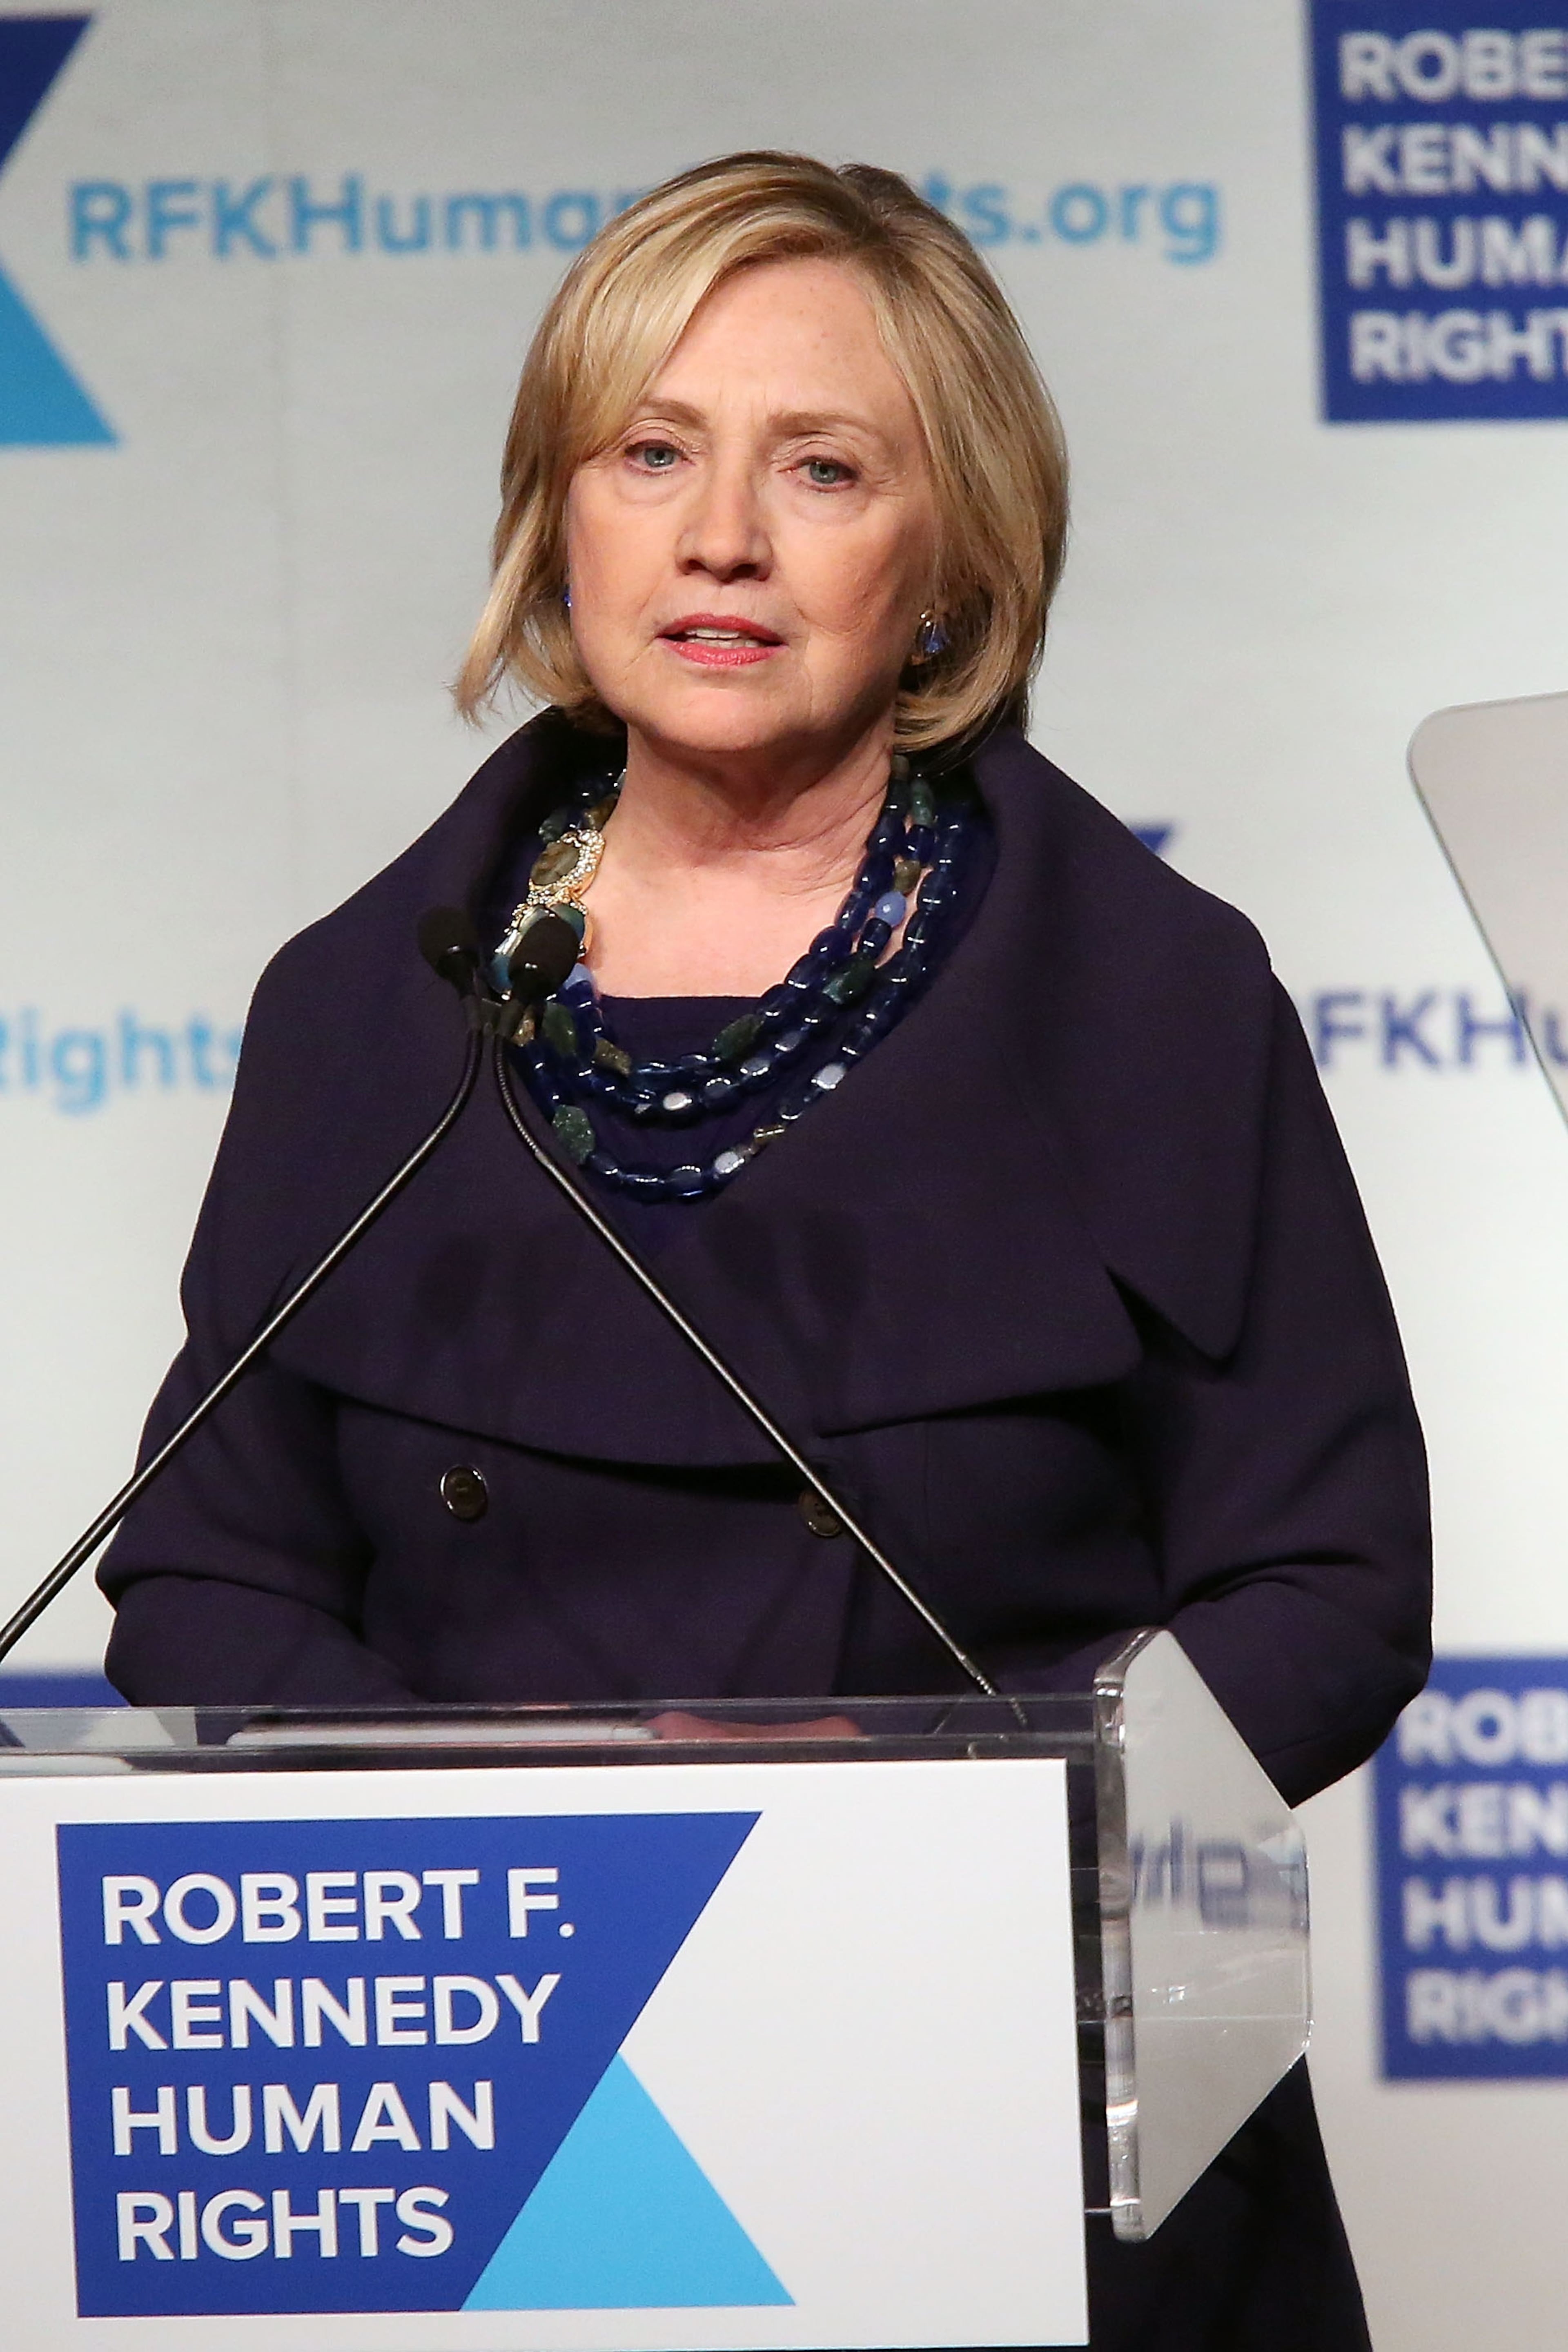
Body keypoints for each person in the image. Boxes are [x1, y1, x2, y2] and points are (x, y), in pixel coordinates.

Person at [98, 153, 1430, 2348]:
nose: (722, 537)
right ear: (563, 511)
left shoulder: (1158, 1000)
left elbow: (1329, 1584)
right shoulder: (366, 1004)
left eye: (821, 468)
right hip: (504, 2121)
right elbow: (211, 1577)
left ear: (948, 559)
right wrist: (524, 1853)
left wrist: (949, 1832)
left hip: (1017, 2124)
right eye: (653, 455)